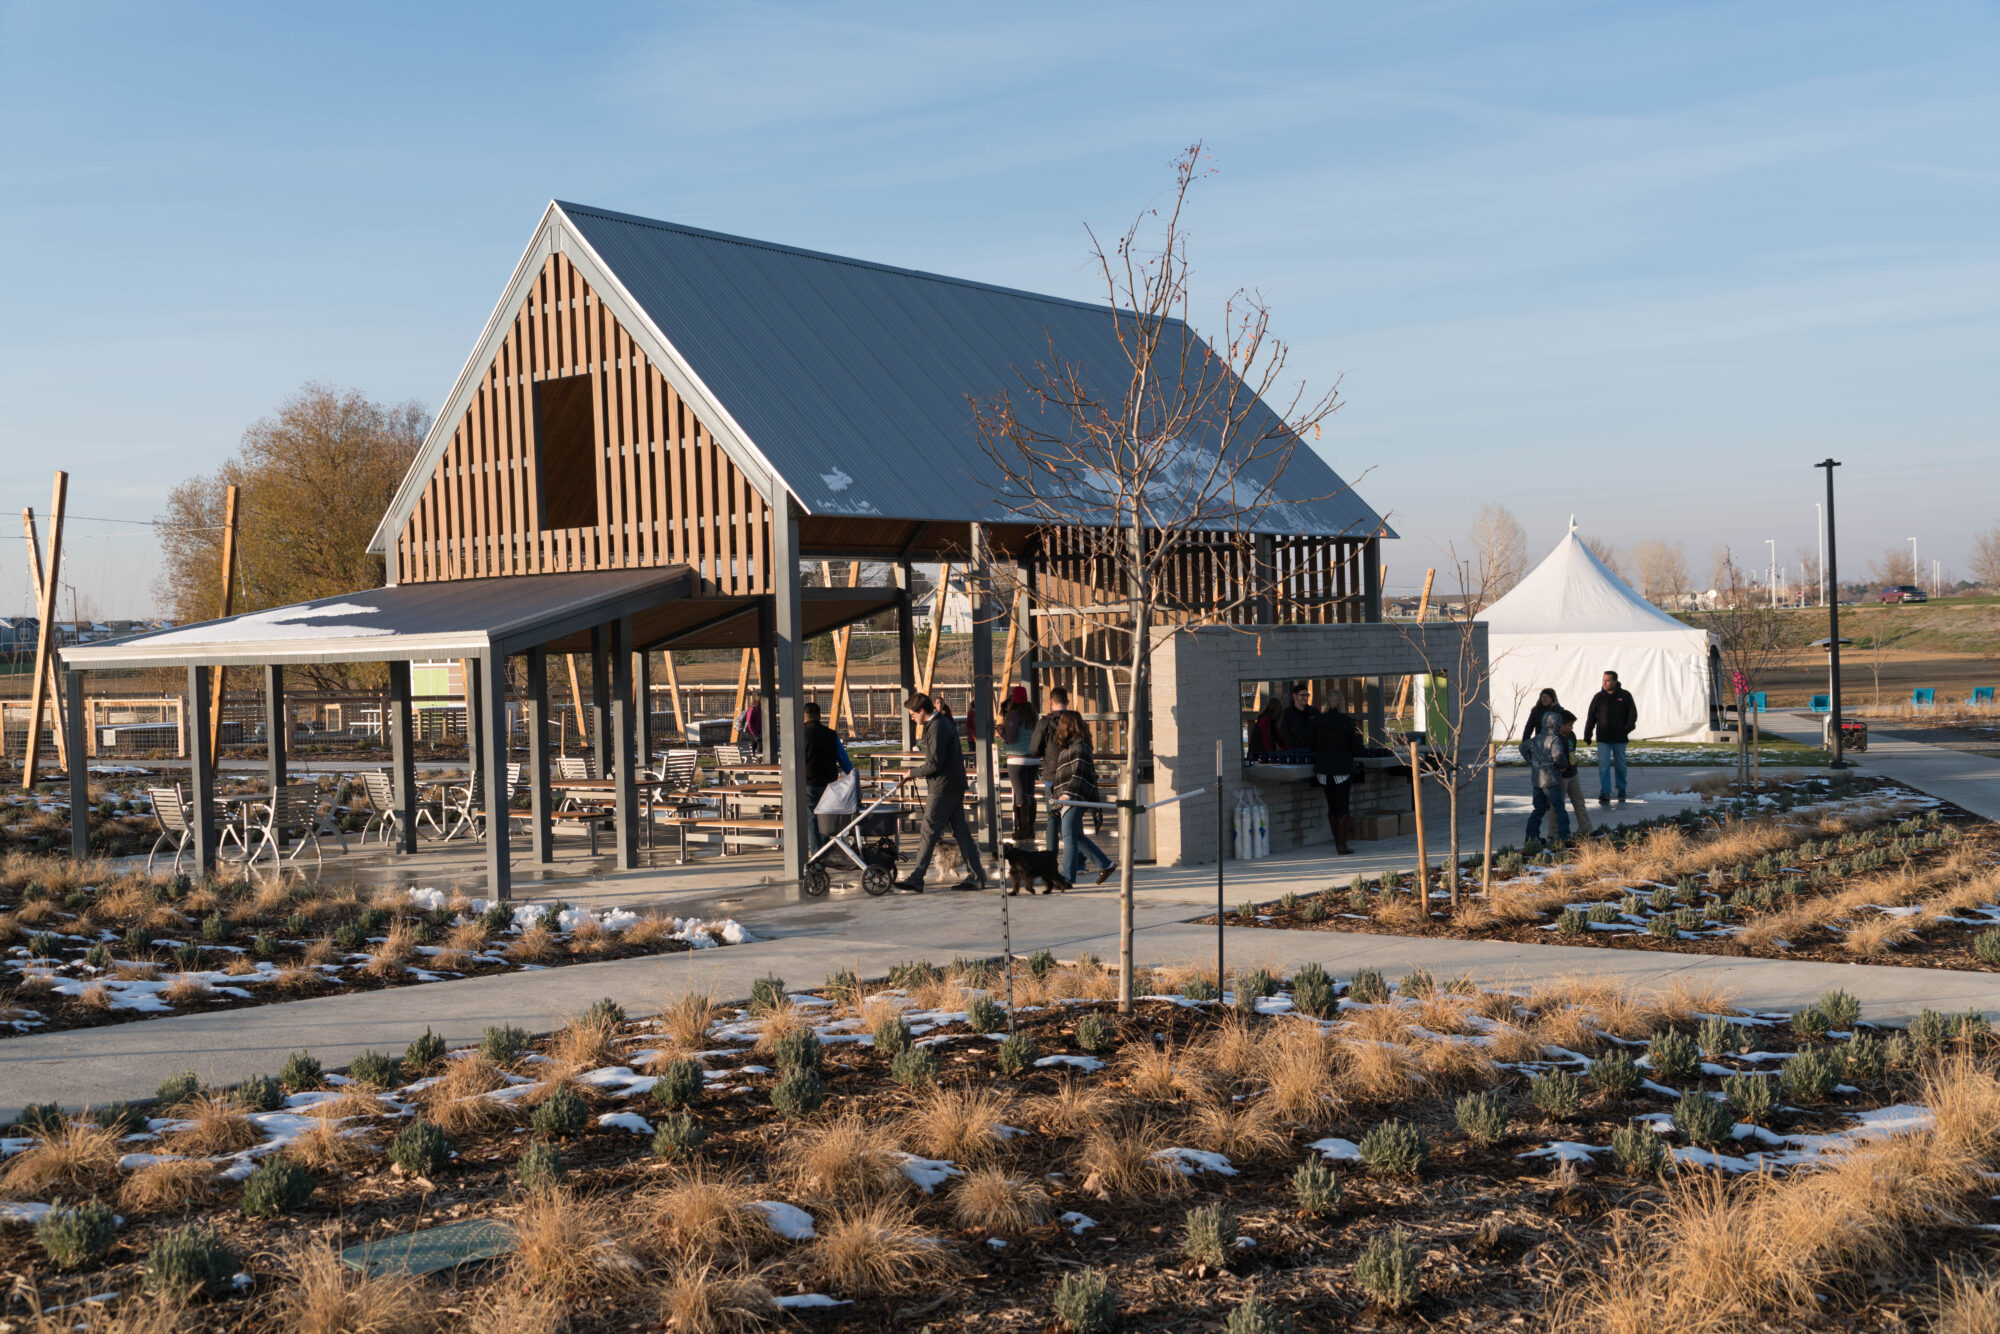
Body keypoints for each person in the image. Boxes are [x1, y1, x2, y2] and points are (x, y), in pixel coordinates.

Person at [894, 692, 984, 892]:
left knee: (928, 832)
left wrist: (912, 773)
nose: (912, 717)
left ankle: (917, 877)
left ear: (922, 711)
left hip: (942, 788)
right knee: (962, 833)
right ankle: (977, 876)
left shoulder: (936, 727)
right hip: (953, 785)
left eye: (912, 713)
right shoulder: (943, 723)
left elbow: (935, 763)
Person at [1048, 709, 1115, 886]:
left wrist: (1068, 794)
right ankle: (1105, 864)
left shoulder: (1080, 746)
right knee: (1076, 835)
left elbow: (1079, 773)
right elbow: (1065, 772)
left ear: (1066, 726)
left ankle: (1067, 878)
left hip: (1076, 797)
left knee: (1069, 836)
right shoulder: (1071, 745)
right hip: (1070, 797)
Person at [1311, 689, 1362, 855]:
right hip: (1342, 768)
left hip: (1323, 770)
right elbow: (1356, 748)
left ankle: (1337, 841)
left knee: (1332, 807)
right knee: (1343, 807)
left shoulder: (1319, 721)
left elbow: (1311, 743)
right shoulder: (1347, 722)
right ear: (1342, 702)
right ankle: (1342, 845)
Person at [799, 702, 853, 856]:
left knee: (811, 820)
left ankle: (816, 854)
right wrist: (851, 774)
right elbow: (843, 759)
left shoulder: (799, 734)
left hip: (807, 782)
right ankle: (825, 850)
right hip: (828, 783)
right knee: (826, 818)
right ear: (819, 715)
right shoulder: (830, 734)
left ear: (804, 716)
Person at [1584, 670, 1639, 808]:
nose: (1604, 683)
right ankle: (1605, 792)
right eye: (1603, 680)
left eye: (1607, 680)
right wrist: (1587, 734)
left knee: (1620, 764)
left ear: (1615, 681)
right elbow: (1591, 717)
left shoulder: (1625, 696)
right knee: (1603, 765)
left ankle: (1621, 788)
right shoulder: (1598, 697)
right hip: (1603, 738)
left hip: (1619, 738)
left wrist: (1625, 729)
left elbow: (1633, 715)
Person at [1029, 686, 1070, 856]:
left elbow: (1033, 749)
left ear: (1051, 702)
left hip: (1052, 777)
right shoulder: (1075, 720)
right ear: (1067, 702)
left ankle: (1051, 858)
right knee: (1073, 820)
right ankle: (1079, 861)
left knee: (1053, 818)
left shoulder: (1044, 722)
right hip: (1072, 776)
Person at [1524, 706, 1571, 844]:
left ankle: (1531, 837)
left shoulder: (1536, 738)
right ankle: (1565, 836)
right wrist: (1563, 766)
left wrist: (1532, 761)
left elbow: (1522, 748)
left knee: (1538, 809)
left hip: (1537, 779)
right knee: (1559, 808)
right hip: (1551, 779)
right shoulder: (1554, 740)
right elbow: (1558, 756)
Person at [1000, 686, 1039, 839]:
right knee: (1030, 793)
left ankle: (1023, 829)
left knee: (1020, 794)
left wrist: (1001, 731)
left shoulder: (1014, 714)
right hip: (1033, 758)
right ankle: (1030, 828)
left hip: (1017, 759)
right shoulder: (1033, 713)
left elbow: (1010, 738)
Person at [1558, 709, 1594, 838]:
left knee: (1579, 802)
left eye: (1572, 725)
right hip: (1560, 776)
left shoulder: (1571, 736)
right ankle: (1554, 833)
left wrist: (1573, 766)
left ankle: (1587, 829)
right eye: (1569, 725)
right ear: (1561, 724)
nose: (1571, 728)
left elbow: (1572, 752)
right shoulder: (1555, 738)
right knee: (1557, 806)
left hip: (1573, 773)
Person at [1280, 682, 1316, 752]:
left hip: (1313, 751)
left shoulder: (1313, 712)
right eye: (1302, 695)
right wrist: (1295, 745)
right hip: (1295, 751)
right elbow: (1284, 732)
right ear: (1294, 696)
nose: (1306, 698)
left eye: (1307, 695)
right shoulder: (1288, 713)